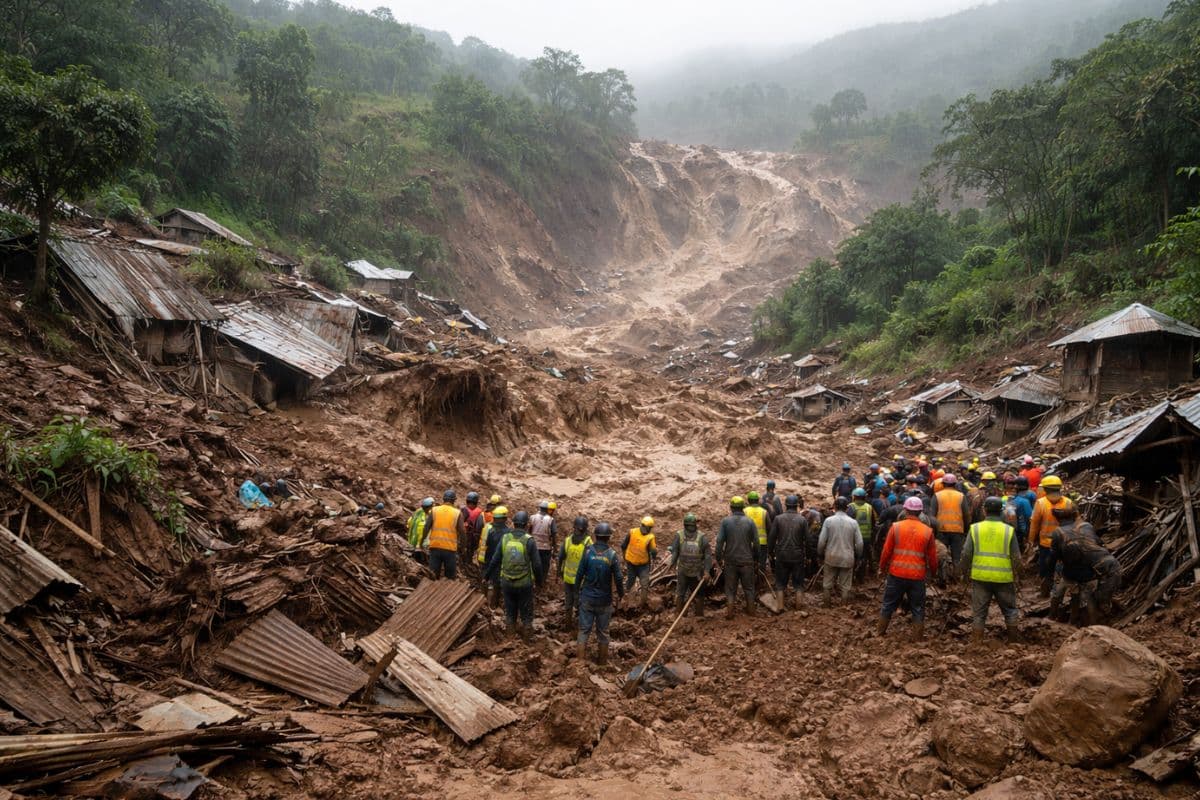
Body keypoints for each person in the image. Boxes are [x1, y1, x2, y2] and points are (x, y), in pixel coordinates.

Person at [960, 497, 1022, 644]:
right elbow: (1016, 557)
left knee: (979, 613)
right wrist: (1018, 574)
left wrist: (964, 572)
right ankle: (1013, 642)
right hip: (1003, 577)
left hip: (980, 577)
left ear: (984, 510)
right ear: (1001, 511)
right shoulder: (1008, 530)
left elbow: (966, 554)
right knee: (1010, 610)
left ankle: (977, 642)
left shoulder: (975, 529)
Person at [878, 497, 939, 639]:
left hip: (896, 573)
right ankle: (917, 638)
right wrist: (933, 574)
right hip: (917, 576)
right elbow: (933, 558)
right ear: (920, 512)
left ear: (905, 510)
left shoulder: (896, 527)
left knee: (888, 604)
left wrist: (882, 568)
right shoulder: (928, 531)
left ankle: (880, 633)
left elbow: (886, 551)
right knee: (918, 608)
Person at [483, 509, 543, 642]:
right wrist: (539, 582)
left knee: (510, 612)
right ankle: (527, 643)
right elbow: (537, 565)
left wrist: (486, 576)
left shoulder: (505, 538)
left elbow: (495, 559)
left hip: (506, 582)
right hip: (524, 583)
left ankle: (510, 641)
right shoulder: (529, 541)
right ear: (526, 525)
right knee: (526, 613)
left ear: (513, 523)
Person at [1048, 505, 1108, 625]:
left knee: (1058, 593)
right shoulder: (1087, 526)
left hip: (1071, 571)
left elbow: (1054, 557)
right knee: (1088, 597)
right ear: (1074, 516)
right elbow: (1099, 543)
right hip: (1091, 570)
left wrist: (1049, 573)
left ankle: (1051, 618)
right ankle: (1091, 625)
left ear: (1057, 519)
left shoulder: (1058, 532)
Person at [576, 523, 624, 665]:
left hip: (587, 599)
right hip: (604, 600)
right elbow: (619, 578)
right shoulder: (612, 555)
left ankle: (579, 663)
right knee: (603, 632)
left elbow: (579, 575)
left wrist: (576, 593)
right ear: (608, 538)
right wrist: (621, 594)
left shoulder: (587, 552)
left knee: (584, 630)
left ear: (595, 536)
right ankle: (602, 662)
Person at [1029, 475, 1073, 596]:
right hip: (1064, 543)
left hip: (1046, 543)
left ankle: (1046, 591)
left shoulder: (1041, 503)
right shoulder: (1068, 502)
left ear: (1046, 489)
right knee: (1062, 567)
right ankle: (1060, 590)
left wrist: (1031, 540)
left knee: (1046, 567)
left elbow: (1034, 523)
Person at [716, 496, 759, 617]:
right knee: (749, 588)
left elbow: (719, 542)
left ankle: (730, 612)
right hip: (747, 561)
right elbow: (756, 542)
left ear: (731, 507)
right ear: (743, 508)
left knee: (730, 589)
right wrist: (756, 559)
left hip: (730, 560)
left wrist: (719, 559)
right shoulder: (750, 522)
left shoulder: (725, 522)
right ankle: (751, 611)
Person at [817, 497, 863, 606]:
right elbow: (860, 543)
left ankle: (826, 605)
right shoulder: (854, 523)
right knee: (845, 586)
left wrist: (820, 554)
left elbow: (821, 541)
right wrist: (858, 556)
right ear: (847, 508)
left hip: (831, 556)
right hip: (847, 557)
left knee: (827, 584)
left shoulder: (828, 521)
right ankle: (843, 607)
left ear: (835, 507)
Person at [768, 495, 808, 610]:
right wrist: (810, 556)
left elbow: (772, 538)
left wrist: (770, 552)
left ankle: (780, 607)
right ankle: (798, 607)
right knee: (799, 584)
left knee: (780, 584)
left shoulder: (778, 519)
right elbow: (808, 540)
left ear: (786, 505)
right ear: (796, 506)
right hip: (798, 556)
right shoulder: (802, 520)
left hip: (782, 555)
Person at [668, 513, 712, 616]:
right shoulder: (681, 536)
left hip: (696, 571)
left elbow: (707, 556)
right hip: (685, 570)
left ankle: (697, 615)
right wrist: (672, 565)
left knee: (694, 594)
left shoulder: (701, 537)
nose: (691, 528)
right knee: (683, 593)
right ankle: (682, 614)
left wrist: (706, 571)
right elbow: (675, 552)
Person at [930, 474, 971, 572]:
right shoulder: (961, 496)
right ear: (955, 484)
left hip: (941, 530)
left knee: (941, 556)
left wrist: (933, 532)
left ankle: (942, 578)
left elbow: (932, 516)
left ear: (943, 484)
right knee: (956, 557)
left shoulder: (937, 496)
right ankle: (956, 579)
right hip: (957, 530)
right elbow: (966, 515)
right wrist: (966, 529)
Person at [559, 515, 593, 630]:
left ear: (574, 528)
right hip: (581, 580)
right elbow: (591, 561)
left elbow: (560, 557)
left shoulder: (567, 541)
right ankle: (579, 627)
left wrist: (559, 571)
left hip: (568, 577)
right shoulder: (588, 542)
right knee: (580, 603)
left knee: (568, 602)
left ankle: (568, 625)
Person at [423, 490, 465, 579]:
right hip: (450, 549)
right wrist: (463, 546)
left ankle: (432, 591)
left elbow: (426, 527)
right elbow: (462, 532)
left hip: (435, 547)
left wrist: (421, 541)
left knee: (433, 575)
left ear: (443, 499)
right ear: (454, 500)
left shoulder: (434, 510)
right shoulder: (457, 513)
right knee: (450, 577)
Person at [476, 505, 509, 607]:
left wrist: (480, 558)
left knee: (485, 579)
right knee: (496, 584)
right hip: (499, 562)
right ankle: (493, 605)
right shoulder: (508, 532)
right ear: (505, 519)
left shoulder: (487, 528)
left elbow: (482, 544)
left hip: (486, 559)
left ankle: (482, 603)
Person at [622, 516, 657, 609]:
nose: (649, 530)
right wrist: (624, 558)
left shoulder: (650, 537)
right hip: (633, 563)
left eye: (650, 528)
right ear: (644, 526)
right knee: (633, 581)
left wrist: (624, 558)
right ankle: (626, 599)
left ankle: (641, 605)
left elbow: (653, 551)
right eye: (649, 528)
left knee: (644, 584)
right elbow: (623, 545)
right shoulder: (632, 532)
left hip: (641, 564)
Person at [849, 488, 877, 583]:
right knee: (863, 557)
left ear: (854, 497)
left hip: (853, 538)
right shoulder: (869, 507)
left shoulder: (850, 507)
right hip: (866, 537)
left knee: (852, 556)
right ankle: (861, 578)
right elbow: (874, 522)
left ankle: (851, 577)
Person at [529, 501, 559, 588]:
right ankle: (542, 583)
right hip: (546, 548)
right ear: (547, 509)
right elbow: (554, 535)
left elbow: (529, 531)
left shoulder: (532, 517)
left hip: (534, 546)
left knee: (534, 564)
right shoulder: (550, 520)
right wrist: (555, 549)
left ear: (539, 508)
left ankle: (534, 582)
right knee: (544, 566)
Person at [744, 491, 770, 576]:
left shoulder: (744, 511)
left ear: (748, 500)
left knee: (749, 562)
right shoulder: (764, 512)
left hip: (748, 543)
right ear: (758, 500)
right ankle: (761, 580)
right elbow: (769, 528)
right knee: (761, 562)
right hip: (762, 542)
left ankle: (750, 579)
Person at [1009, 476, 1036, 554]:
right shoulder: (1031, 494)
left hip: (1022, 519)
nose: (1014, 487)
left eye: (1015, 485)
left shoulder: (1018, 497)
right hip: (1027, 519)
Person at [461, 491, 485, 564]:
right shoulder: (479, 512)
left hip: (462, 537)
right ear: (476, 502)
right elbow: (479, 527)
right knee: (469, 555)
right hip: (472, 538)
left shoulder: (462, 510)